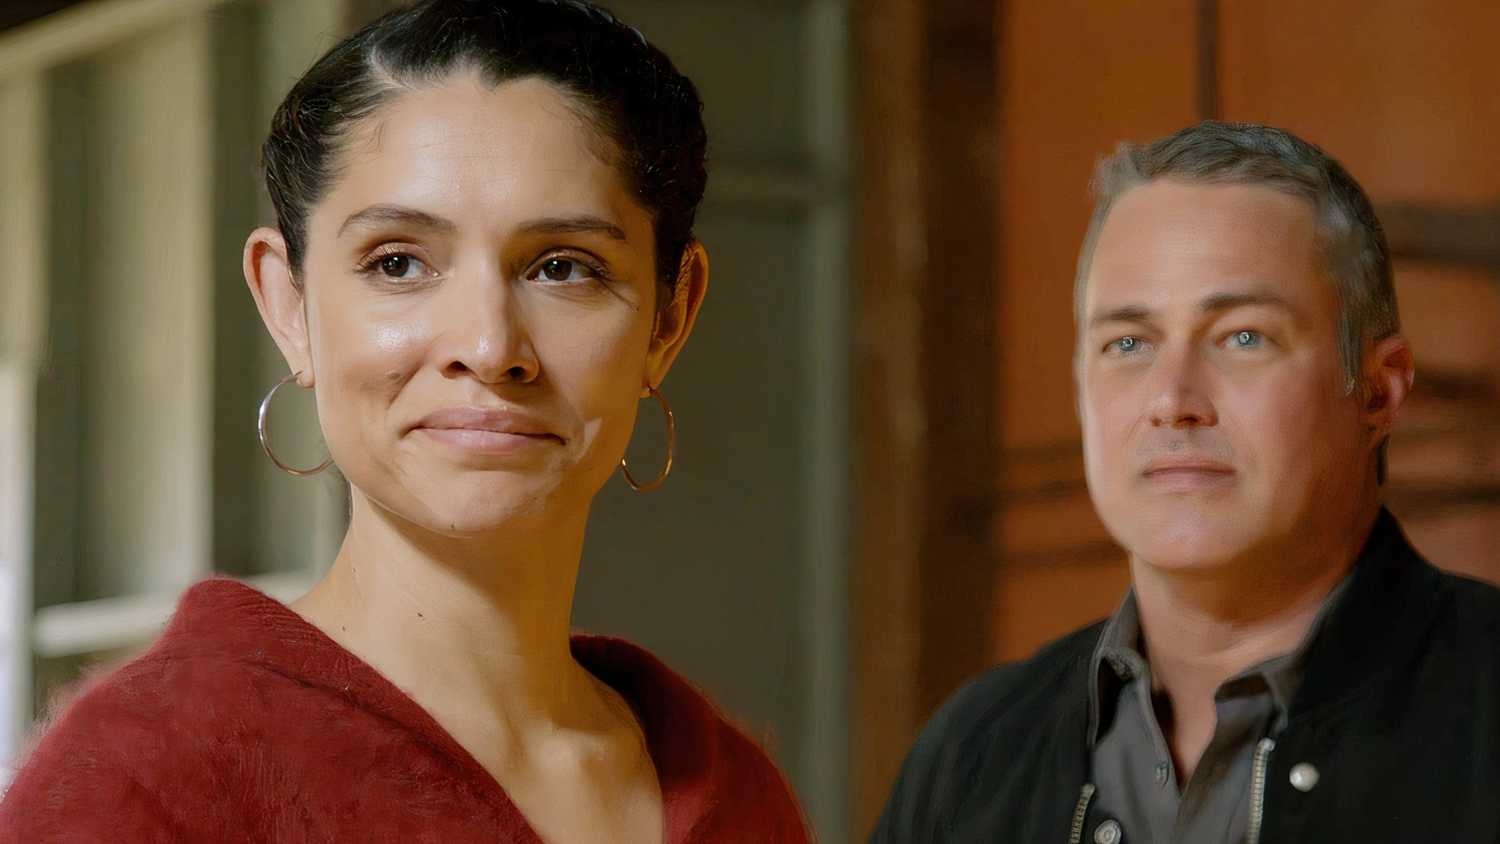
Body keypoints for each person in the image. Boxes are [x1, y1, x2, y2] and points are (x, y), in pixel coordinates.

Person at [0, 1, 809, 841]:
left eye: (564, 268)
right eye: (398, 263)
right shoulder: (142, 781)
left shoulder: (738, 798)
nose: (489, 348)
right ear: (288, 306)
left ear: (669, 321)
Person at [873, 121, 1500, 843]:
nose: (1173, 400)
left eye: (1244, 337)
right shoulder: (971, 759)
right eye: (1127, 343)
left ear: (1378, 392)